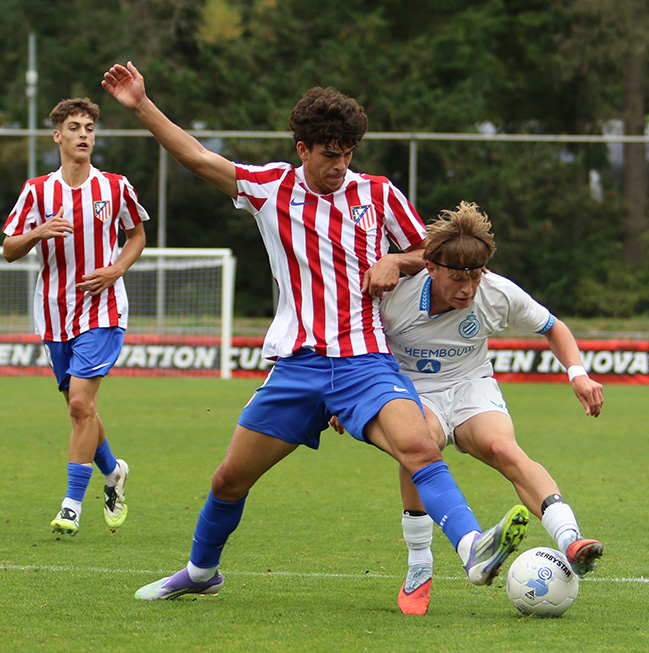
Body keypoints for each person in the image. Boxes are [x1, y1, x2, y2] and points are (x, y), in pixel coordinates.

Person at [102, 62, 528, 601]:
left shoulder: (378, 193)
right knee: (228, 480)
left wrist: (398, 259)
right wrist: (141, 105)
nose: (340, 164)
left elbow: (435, 254)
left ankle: (472, 549)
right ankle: (201, 573)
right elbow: (196, 156)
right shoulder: (270, 187)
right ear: (302, 148)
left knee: (419, 446)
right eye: (330, 154)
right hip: (297, 365)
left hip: (364, 362)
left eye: (348, 153)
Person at [362, 201, 606, 615]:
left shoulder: (498, 293)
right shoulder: (395, 297)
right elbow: (358, 347)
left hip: (471, 384)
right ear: (430, 267)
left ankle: (571, 539)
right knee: (419, 444)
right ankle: (419, 565)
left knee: (504, 450)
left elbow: (553, 327)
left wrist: (577, 373)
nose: (467, 288)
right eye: (457, 278)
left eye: (474, 276)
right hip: (412, 386)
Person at [2, 97, 148, 536]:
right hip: (53, 313)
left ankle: (71, 505)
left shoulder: (116, 187)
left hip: (103, 310)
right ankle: (114, 471)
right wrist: (38, 231)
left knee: (83, 404)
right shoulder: (37, 190)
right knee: (78, 408)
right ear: (57, 136)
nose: (84, 134)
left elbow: (137, 233)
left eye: (89, 127)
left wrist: (117, 269)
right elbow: (9, 249)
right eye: (75, 127)